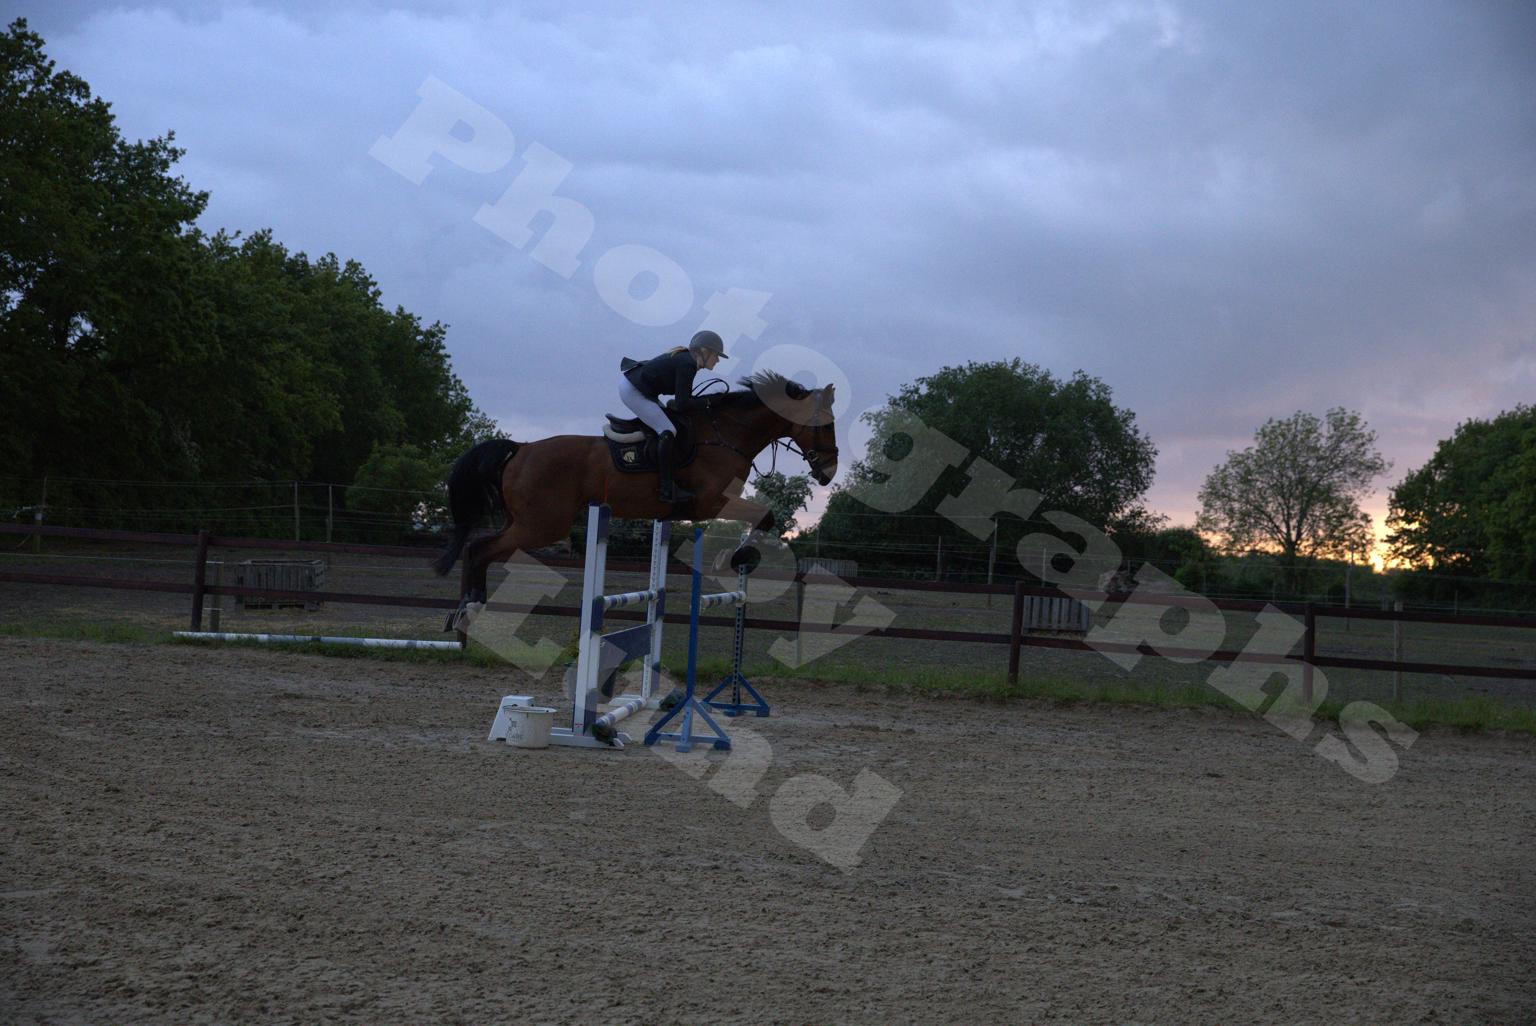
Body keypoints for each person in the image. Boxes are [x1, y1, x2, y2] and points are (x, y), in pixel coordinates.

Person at [619, 330, 727, 502]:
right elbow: (683, 404)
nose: (718, 360)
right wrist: (708, 402)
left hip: (642, 389)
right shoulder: (688, 364)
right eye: (716, 355)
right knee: (668, 430)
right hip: (633, 391)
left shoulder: (688, 360)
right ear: (704, 351)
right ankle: (666, 488)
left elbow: (681, 401)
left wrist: (705, 402)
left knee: (672, 424)